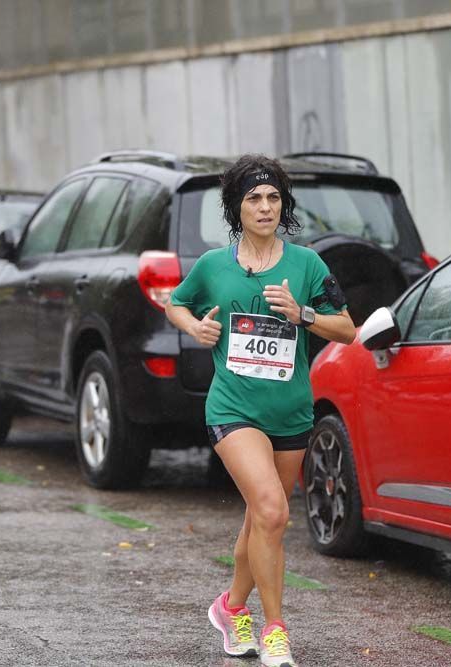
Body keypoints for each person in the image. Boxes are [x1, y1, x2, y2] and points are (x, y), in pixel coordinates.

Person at [166, 154, 355, 666]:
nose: (265, 206)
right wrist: (194, 329)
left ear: (283, 204)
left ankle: (230, 607)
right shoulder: (212, 266)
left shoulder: (307, 264)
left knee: (261, 521)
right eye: (254, 198)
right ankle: (275, 630)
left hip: (291, 412)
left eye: (273, 197)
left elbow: (348, 329)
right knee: (272, 508)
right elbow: (174, 302)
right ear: (236, 207)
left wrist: (303, 314)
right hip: (233, 409)